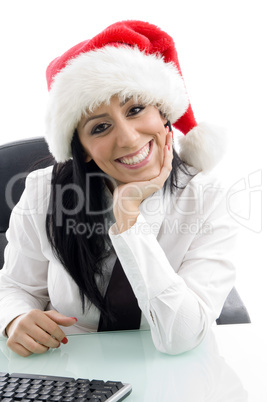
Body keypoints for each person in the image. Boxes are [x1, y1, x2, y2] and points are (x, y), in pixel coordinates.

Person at [0, 20, 237, 357]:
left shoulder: (208, 198)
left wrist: (129, 219)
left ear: (163, 114)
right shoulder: (44, 192)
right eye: (100, 127)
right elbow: (14, 286)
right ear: (81, 148)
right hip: (76, 375)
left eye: (136, 109)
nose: (127, 138)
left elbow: (182, 338)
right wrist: (16, 316)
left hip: (177, 375)